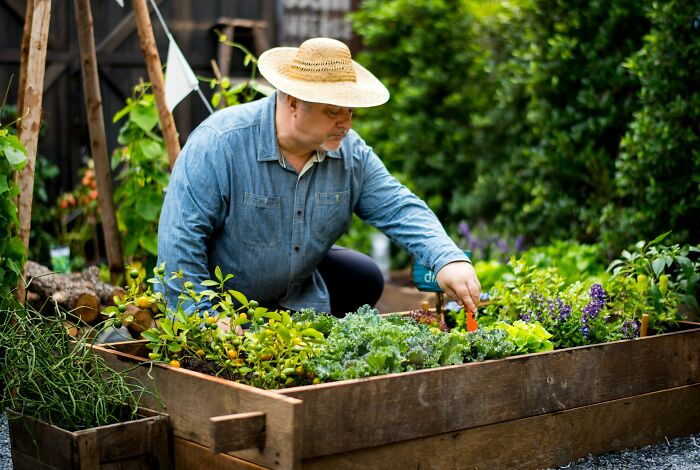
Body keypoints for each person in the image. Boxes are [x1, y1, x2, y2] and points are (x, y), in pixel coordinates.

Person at [157, 37, 480, 317]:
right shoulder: (220, 142)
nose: (346, 124)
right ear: (295, 103)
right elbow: (179, 241)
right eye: (333, 111)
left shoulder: (349, 152)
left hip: (295, 298)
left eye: (350, 112)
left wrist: (447, 258)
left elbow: (398, 206)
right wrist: (205, 316)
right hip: (222, 304)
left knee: (363, 276)